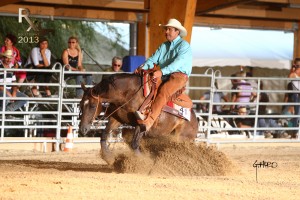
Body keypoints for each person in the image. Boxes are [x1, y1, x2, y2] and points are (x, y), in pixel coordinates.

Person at [134, 18, 192, 131]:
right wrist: (143, 67)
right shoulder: (163, 46)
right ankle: (144, 110)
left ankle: (149, 121)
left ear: (177, 32)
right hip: (165, 73)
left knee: (163, 92)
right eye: (166, 29)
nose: (166, 32)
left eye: (169, 29)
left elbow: (177, 63)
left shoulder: (184, 46)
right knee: (147, 85)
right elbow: (152, 59)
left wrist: (161, 71)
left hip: (179, 76)